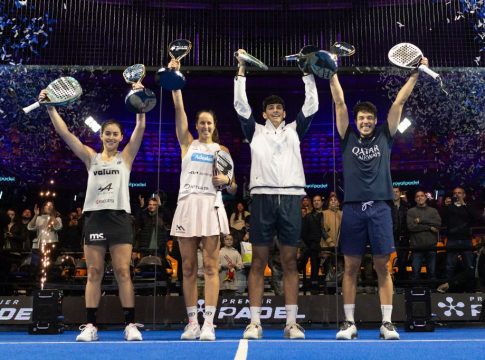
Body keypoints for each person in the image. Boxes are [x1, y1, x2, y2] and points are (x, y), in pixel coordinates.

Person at [329, 58, 429, 340]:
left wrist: (414, 75)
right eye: (361, 118)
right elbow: (339, 103)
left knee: (383, 266)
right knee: (350, 267)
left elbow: (397, 104)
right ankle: (349, 324)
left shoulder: (385, 136)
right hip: (352, 210)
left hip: (381, 207)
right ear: (356, 120)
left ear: (375, 121)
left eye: (369, 118)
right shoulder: (346, 136)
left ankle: (387, 323)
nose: (365, 121)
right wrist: (332, 73)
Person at [40, 82, 146, 342]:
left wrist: (139, 100)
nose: (111, 137)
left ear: (121, 138)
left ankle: (130, 324)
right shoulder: (91, 158)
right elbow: (67, 136)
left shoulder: (126, 157)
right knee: (94, 273)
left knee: (123, 272)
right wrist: (51, 108)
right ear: (101, 136)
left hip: (119, 218)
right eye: (107, 133)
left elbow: (141, 127)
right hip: (95, 219)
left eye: (115, 134)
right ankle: (90, 326)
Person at [234, 48, 318, 339]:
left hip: (292, 198)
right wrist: (241, 72)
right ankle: (254, 323)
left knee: (290, 261)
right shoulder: (254, 130)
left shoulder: (296, 130)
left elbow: (312, 105)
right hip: (263, 199)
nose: (276, 111)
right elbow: (240, 106)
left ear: (284, 112)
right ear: (264, 113)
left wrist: (307, 72)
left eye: (280, 108)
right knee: (258, 261)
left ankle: (291, 323)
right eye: (271, 108)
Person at [168, 59, 233, 341]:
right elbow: (179, 108)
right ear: (196, 126)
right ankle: (192, 322)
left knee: (210, 266)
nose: (205, 126)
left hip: (210, 204)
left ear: (214, 126)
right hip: (187, 204)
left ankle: (209, 324)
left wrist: (227, 182)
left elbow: (233, 186)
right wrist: (175, 78)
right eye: (201, 122)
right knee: (188, 267)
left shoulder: (222, 149)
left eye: (209, 123)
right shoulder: (187, 144)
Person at [407, 190, 441, 282]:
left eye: (422, 196)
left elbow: (438, 224)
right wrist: (429, 227)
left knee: (432, 272)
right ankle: (415, 292)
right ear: (415, 199)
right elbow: (411, 227)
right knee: (415, 273)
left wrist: (421, 220)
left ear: (425, 198)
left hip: (431, 246)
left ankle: (433, 293)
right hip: (416, 246)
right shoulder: (411, 211)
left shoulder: (433, 211)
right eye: (417, 196)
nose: (420, 198)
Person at [442, 187, 475, 281]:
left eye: (459, 193)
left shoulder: (468, 206)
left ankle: (470, 289)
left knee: (469, 265)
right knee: (449, 266)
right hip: (452, 239)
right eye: (455, 193)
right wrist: (445, 206)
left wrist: (464, 204)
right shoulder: (449, 207)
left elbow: (476, 217)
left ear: (464, 195)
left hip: (466, 239)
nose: (457, 195)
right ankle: (448, 288)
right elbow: (442, 220)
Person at [299, 195, 326, 294]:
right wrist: (311, 243)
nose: (316, 202)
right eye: (314, 201)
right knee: (314, 267)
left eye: (318, 200)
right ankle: (314, 286)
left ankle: (327, 286)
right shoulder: (308, 216)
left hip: (327, 245)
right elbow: (303, 233)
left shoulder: (326, 214)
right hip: (313, 246)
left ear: (322, 202)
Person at [392, 187, 410, 281]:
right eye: (393, 192)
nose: (395, 193)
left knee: (403, 262)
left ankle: (403, 283)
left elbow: (409, 223)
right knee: (392, 262)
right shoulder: (387, 207)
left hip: (404, 238)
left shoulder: (406, 206)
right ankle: (393, 283)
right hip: (391, 239)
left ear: (400, 193)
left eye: (396, 191)